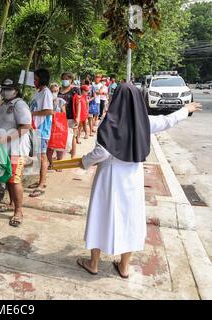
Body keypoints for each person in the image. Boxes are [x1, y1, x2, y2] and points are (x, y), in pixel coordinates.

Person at [76, 83, 202, 278]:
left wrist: (84, 162)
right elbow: (168, 120)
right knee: (129, 218)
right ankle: (124, 266)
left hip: (108, 177)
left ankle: (93, 263)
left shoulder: (108, 122)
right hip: (132, 179)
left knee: (101, 215)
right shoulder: (145, 122)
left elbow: (102, 152)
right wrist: (185, 109)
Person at [0, 79, 32, 227]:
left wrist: (6, 138)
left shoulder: (20, 105)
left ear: (16, 91)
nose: (5, 91)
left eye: (9, 89)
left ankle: (18, 211)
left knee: (14, 179)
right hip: (5, 148)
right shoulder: (4, 104)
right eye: (4, 88)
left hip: (16, 149)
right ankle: (11, 204)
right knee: (8, 177)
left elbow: (26, 126)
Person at [28, 69, 54, 198]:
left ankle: (42, 183)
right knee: (39, 156)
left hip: (41, 129)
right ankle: (40, 180)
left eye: (36, 79)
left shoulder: (46, 93)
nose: (34, 81)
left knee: (43, 157)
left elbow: (49, 111)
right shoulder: (37, 92)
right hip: (34, 128)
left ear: (42, 79)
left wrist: (33, 114)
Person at [59, 72, 81, 159]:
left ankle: (73, 155)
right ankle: (61, 157)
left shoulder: (75, 90)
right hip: (60, 118)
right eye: (64, 78)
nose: (65, 80)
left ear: (71, 80)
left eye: (67, 79)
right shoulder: (58, 90)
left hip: (71, 117)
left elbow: (78, 104)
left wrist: (78, 116)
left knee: (73, 136)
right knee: (61, 137)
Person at [47, 83, 67, 171]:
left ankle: (59, 164)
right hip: (48, 126)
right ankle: (51, 163)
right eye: (52, 91)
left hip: (59, 127)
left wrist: (54, 114)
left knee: (59, 147)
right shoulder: (46, 101)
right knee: (49, 147)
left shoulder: (61, 101)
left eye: (55, 91)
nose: (53, 93)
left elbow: (64, 114)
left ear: (58, 91)